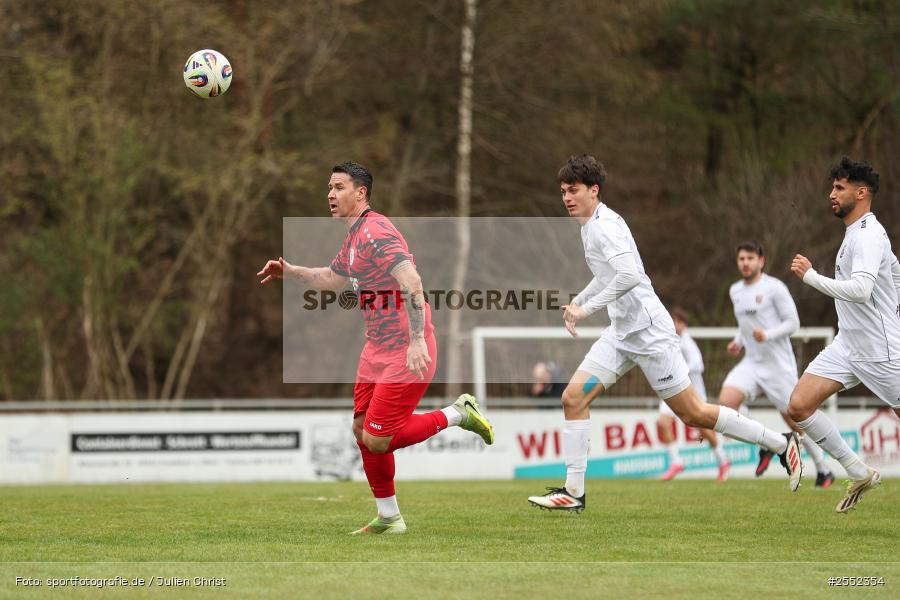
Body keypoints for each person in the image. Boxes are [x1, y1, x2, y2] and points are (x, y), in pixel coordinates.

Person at [528, 155, 803, 513]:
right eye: (563, 191)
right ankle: (573, 493)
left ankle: (781, 443)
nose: (566, 197)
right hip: (622, 334)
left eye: (574, 190)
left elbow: (628, 277)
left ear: (594, 191)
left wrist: (587, 309)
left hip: (651, 334)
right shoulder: (589, 226)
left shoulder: (605, 226)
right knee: (573, 398)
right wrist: (577, 302)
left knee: (693, 413)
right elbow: (607, 275)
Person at [258, 162, 494, 533]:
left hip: (406, 348)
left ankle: (458, 414)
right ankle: (389, 517)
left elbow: (412, 281)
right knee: (360, 429)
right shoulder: (353, 239)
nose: (330, 194)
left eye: (338, 187)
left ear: (361, 193)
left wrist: (417, 340)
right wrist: (291, 271)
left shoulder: (376, 232)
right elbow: (330, 279)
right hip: (376, 349)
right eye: (329, 188)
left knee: (378, 439)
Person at [788, 156, 900, 513]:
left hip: (880, 351)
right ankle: (858, 471)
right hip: (848, 345)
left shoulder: (867, 235)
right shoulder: (859, 233)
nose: (831, 194)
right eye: (832, 187)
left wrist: (811, 277)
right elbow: (895, 273)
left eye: (840, 187)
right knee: (799, 405)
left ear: (861, 192)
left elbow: (863, 289)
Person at [719, 241, 835, 488]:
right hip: (751, 362)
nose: (746, 263)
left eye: (750, 258)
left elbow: (793, 323)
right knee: (726, 405)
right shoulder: (735, 290)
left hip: (778, 365)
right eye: (741, 259)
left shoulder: (774, 288)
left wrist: (768, 335)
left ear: (760, 261)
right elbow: (745, 325)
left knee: (796, 419)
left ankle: (824, 470)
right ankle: (770, 444)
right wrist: (738, 342)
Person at [658, 308, 731, 482]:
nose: (673, 325)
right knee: (663, 422)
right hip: (674, 390)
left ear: (682, 324)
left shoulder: (687, 342)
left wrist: (681, 371)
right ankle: (676, 462)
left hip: (693, 393)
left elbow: (699, 365)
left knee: (704, 432)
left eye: (676, 321)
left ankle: (723, 461)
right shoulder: (672, 340)